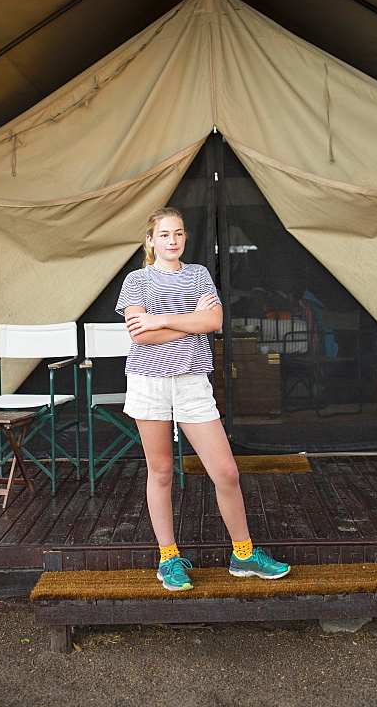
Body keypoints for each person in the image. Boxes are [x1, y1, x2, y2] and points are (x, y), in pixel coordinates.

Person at [116, 206, 291, 592]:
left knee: (226, 471)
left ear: (184, 238)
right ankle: (169, 559)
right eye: (164, 235)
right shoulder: (137, 280)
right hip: (149, 381)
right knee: (161, 472)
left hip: (193, 382)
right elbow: (139, 336)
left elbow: (213, 322)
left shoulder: (198, 275)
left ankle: (243, 555)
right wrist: (188, 322)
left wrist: (161, 319)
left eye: (178, 234)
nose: (172, 241)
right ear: (150, 240)